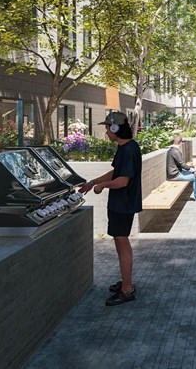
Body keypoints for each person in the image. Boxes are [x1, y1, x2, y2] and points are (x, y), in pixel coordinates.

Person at [80, 111, 142, 306]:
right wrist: (92, 182)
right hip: (121, 204)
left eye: (107, 128)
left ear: (115, 128)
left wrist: (102, 186)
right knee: (120, 243)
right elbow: (116, 171)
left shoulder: (129, 149)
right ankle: (126, 282)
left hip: (123, 205)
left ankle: (127, 289)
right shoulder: (125, 147)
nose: (106, 132)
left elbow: (122, 181)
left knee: (122, 244)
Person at [166, 135, 196, 201]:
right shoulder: (175, 151)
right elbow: (183, 164)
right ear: (181, 142)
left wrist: (191, 168)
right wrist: (191, 169)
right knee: (195, 178)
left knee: (194, 173)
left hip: (175, 172)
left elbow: (180, 164)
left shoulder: (170, 150)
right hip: (174, 175)